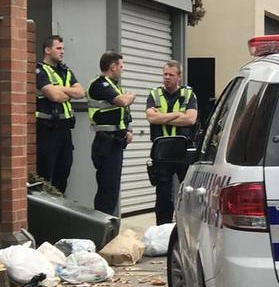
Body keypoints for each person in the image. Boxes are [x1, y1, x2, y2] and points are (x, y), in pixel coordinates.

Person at [145, 60, 197, 225]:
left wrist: (163, 117)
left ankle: (186, 226)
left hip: (183, 150)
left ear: (179, 77)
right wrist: (176, 114)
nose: (167, 78)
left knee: (187, 192)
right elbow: (152, 118)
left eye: (171, 75)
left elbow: (190, 119)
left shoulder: (189, 95)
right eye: (165, 74)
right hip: (161, 150)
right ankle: (163, 230)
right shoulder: (154, 94)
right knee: (163, 195)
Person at [87, 51, 136, 216]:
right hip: (105, 144)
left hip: (115, 142)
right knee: (107, 189)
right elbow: (122, 101)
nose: (123, 69)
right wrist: (130, 96)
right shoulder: (101, 85)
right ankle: (102, 226)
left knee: (112, 189)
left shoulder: (115, 86)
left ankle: (108, 226)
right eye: (121, 66)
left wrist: (127, 130)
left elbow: (122, 113)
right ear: (112, 66)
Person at [35, 35, 85, 193]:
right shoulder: (39, 70)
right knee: (44, 175)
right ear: (47, 50)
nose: (62, 52)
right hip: (47, 131)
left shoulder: (65, 71)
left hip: (64, 131)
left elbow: (81, 92)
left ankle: (59, 212)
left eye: (63, 49)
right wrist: (66, 92)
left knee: (63, 173)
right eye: (58, 48)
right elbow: (54, 96)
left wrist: (61, 90)